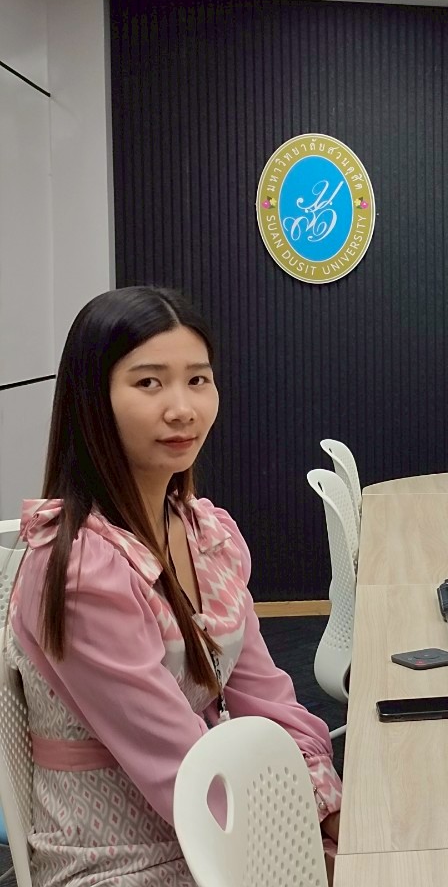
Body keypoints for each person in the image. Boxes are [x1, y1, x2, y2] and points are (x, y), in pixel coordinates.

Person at [8, 286, 341, 886]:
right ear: (92, 400)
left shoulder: (203, 532)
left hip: (222, 815)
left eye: (198, 380)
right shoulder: (82, 568)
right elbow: (182, 770)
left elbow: (266, 698)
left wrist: (326, 803)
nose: (183, 408)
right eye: (149, 383)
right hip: (124, 859)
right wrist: (302, 832)